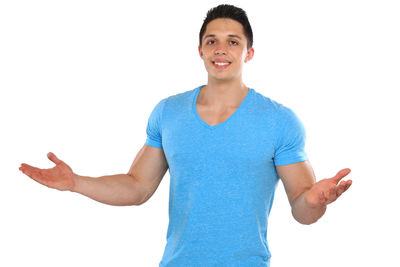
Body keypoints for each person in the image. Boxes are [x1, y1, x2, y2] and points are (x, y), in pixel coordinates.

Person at [19, 4, 352, 267]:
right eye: (212, 41)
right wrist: (76, 182)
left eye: (232, 42)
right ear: (200, 50)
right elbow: (137, 187)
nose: (221, 49)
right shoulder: (169, 113)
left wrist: (313, 201)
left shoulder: (280, 121)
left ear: (248, 53)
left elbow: (301, 209)